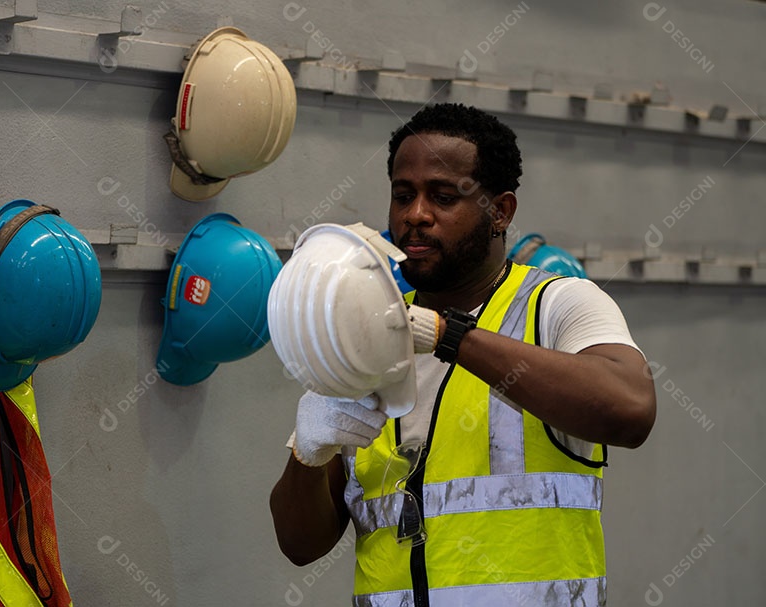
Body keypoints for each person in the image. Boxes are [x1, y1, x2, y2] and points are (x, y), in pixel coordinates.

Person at [269, 103, 656, 607]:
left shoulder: (557, 305)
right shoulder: (365, 333)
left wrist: (448, 336)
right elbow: (299, 546)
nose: (416, 215)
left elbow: (631, 411)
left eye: (443, 196)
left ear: (501, 212)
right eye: (402, 195)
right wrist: (308, 454)